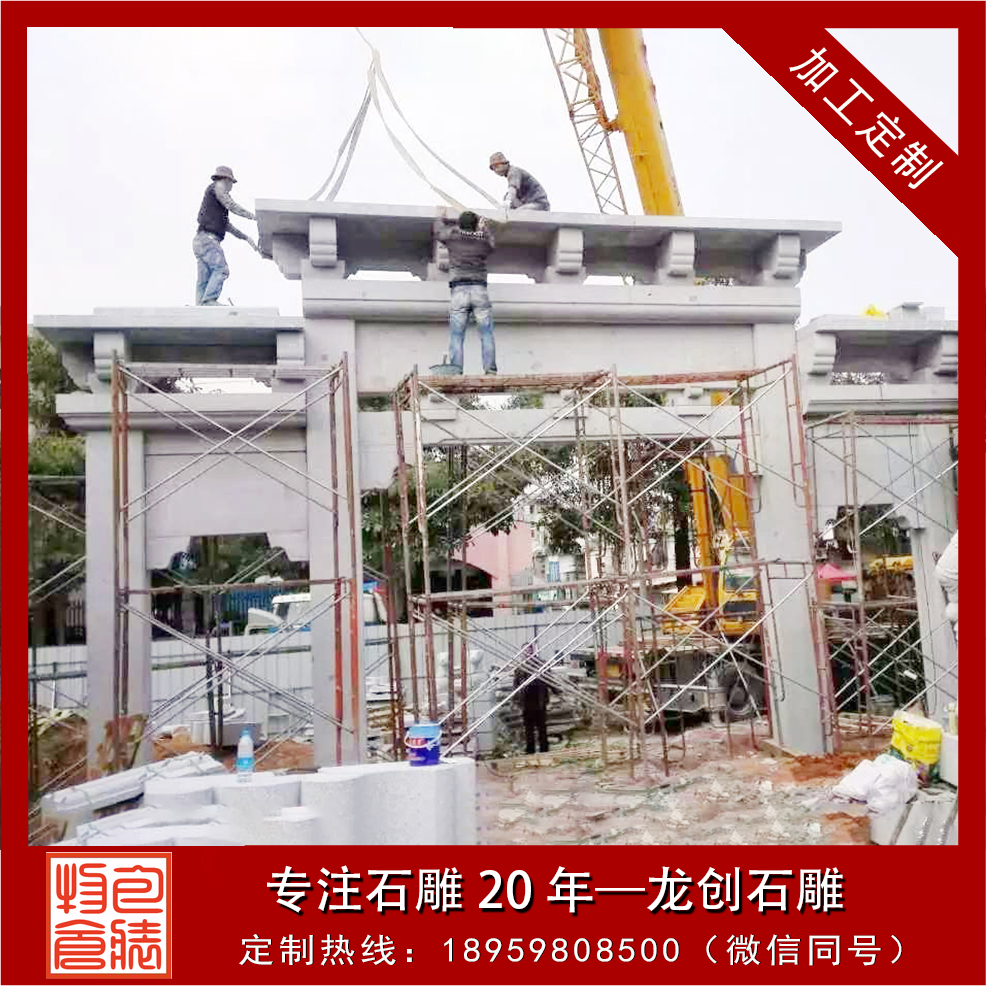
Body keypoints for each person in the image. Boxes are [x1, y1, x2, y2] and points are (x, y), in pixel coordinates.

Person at [434, 208, 497, 375]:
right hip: (479, 289)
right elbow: (492, 245)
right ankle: (490, 370)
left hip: (459, 289)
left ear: (459, 224)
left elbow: (439, 232)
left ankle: (456, 372)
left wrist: (440, 217)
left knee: (457, 335)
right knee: (486, 333)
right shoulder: (482, 242)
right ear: (475, 225)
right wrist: (484, 228)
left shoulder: (453, 238)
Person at [193, 166, 260, 305]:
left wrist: (246, 238)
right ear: (226, 179)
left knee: (204, 276)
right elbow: (231, 205)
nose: (231, 187)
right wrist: (253, 216)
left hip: (200, 240)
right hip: (208, 239)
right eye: (231, 182)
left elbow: (227, 226)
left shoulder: (215, 206)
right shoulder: (218, 186)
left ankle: (201, 306)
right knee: (221, 269)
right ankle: (209, 300)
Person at [513, 644, 557, 754]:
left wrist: (557, 690)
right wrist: (515, 700)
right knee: (528, 728)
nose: (527, 653)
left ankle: (544, 748)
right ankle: (530, 749)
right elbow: (516, 685)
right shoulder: (520, 667)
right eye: (525, 651)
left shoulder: (541, 664)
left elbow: (549, 679)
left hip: (539, 700)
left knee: (541, 726)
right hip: (526, 701)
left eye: (529, 651)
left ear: (533, 652)